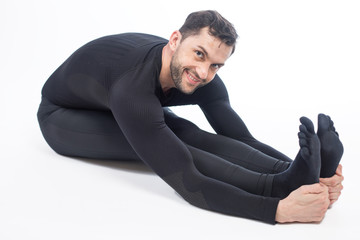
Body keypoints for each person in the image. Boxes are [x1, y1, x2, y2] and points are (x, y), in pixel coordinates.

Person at [37, 10, 344, 224]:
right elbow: (189, 183)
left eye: (216, 65)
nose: (203, 72)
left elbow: (239, 137)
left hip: (110, 101)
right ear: (175, 40)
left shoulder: (202, 74)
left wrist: (308, 173)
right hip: (64, 117)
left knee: (189, 132)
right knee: (174, 146)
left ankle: (287, 175)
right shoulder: (133, 90)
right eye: (199, 54)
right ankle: (275, 186)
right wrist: (277, 209)